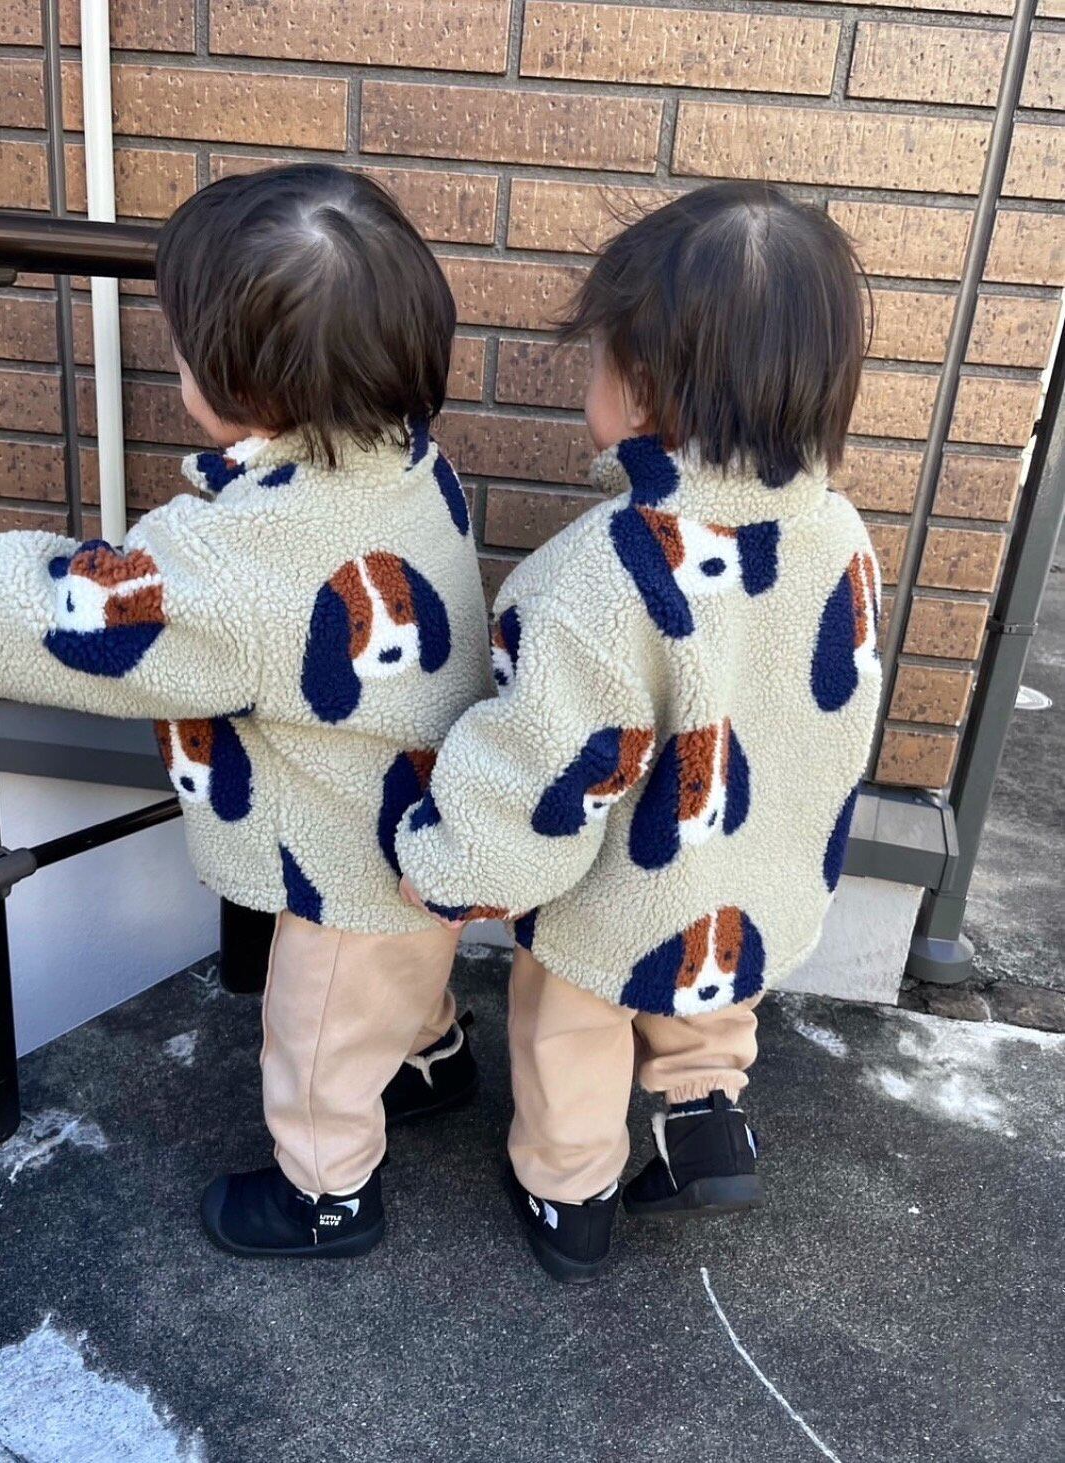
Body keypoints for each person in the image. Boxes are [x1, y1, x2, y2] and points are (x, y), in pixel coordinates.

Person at [0, 164, 492, 1261]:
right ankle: (435, 1063)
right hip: (425, 818)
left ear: (234, 384)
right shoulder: (407, 460)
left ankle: (326, 1195)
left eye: (177, 347)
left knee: (314, 1033)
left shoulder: (239, 556)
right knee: (401, 983)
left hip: (349, 865)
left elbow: (85, 614)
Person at [397, 182, 881, 1282]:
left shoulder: (595, 576)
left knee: (568, 1026)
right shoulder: (838, 530)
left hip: (617, 897)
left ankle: (571, 1193)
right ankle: (705, 1116)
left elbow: (542, 767)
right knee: (711, 993)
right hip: (758, 869)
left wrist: (449, 861)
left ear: (644, 385)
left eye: (596, 360)